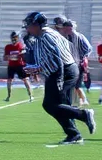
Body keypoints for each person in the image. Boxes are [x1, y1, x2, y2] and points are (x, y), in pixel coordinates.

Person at [22, 11, 95, 145]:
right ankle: (74, 134)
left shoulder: (46, 36)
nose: (27, 28)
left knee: (50, 105)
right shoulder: (44, 35)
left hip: (62, 70)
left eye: (29, 25)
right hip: (62, 70)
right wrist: (37, 68)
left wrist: (59, 77)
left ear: (37, 24)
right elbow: (51, 56)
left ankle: (83, 115)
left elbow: (57, 58)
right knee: (59, 105)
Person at [55, 17, 91, 107]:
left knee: (75, 85)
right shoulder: (65, 37)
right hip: (69, 64)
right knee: (72, 85)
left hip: (77, 64)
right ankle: (77, 102)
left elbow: (88, 49)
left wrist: (83, 58)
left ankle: (77, 103)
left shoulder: (79, 36)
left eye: (66, 27)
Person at [3, 31, 34, 103]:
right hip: (11, 65)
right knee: (9, 80)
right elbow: (4, 58)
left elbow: (24, 55)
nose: (14, 39)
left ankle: (30, 95)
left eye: (15, 37)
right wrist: (11, 56)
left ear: (17, 38)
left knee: (25, 79)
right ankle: (8, 96)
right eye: (12, 37)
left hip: (20, 65)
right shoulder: (8, 47)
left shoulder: (21, 46)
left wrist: (21, 54)